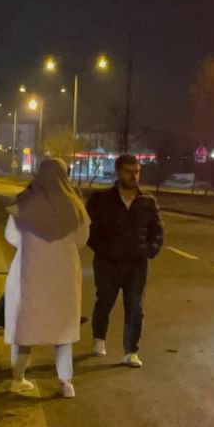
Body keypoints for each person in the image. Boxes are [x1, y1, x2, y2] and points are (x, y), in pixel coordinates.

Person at [4, 158, 90, 398]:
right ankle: (66, 383)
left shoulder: (25, 201)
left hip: (30, 271)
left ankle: (18, 377)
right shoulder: (75, 205)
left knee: (26, 323)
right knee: (63, 325)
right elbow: (82, 240)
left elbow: (11, 236)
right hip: (63, 274)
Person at [87, 154, 164, 368]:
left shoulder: (147, 201)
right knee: (104, 301)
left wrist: (150, 250)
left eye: (137, 171)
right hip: (107, 263)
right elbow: (90, 230)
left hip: (136, 264)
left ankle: (131, 351)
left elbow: (157, 231)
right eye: (129, 171)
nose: (134, 176)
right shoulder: (101, 200)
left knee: (135, 307)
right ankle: (99, 339)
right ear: (118, 172)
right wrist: (103, 250)